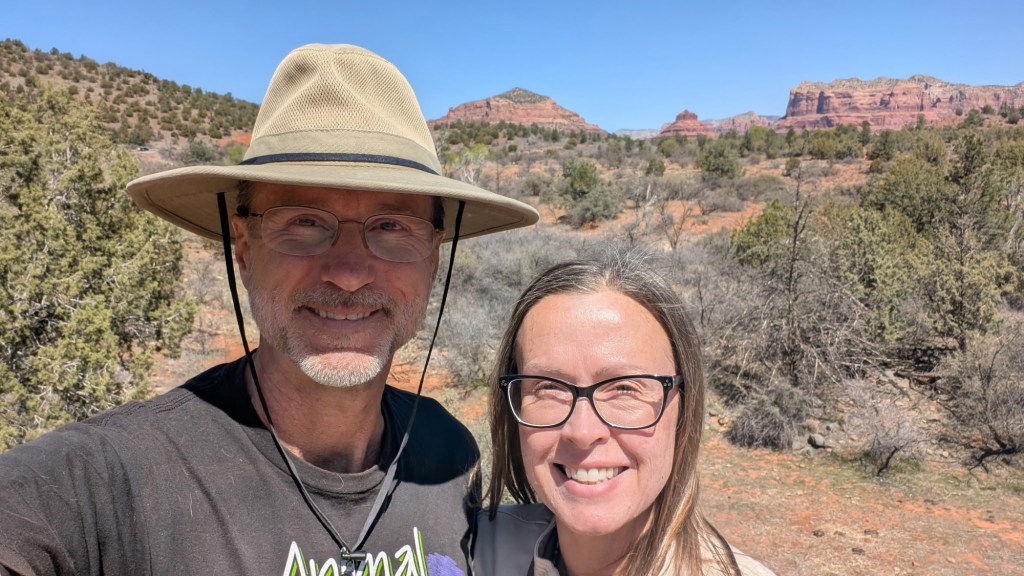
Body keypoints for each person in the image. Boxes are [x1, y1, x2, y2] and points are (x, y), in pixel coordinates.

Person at [0, 44, 537, 575]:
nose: (348, 271)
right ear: (243, 250)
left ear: (434, 258)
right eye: (304, 222)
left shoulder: (447, 454)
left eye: (392, 226)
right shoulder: (110, 479)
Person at [474, 254, 776, 576]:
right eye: (549, 387)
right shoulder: (476, 553)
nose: (583, 431)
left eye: (625, 388)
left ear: (684, 410)